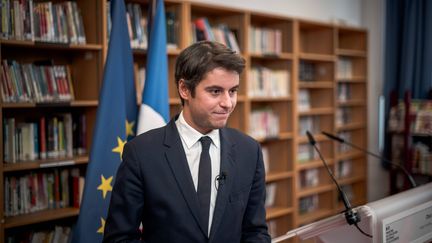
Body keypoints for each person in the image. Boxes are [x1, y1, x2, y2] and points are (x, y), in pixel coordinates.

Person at [103, 41, 271, 243]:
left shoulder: (249, 151)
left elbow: (256, 231)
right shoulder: (141, 153)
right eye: (215, 91)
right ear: (184, 89)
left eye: (233, 91)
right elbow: (119, 238)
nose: (228, 103)